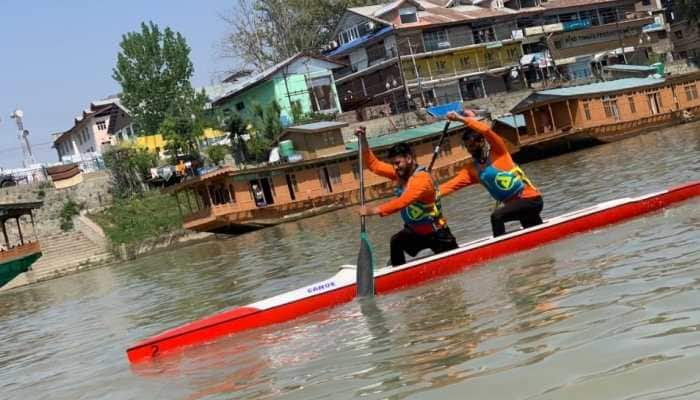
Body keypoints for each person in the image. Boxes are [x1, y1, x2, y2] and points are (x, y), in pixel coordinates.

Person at [355, 127, 458, 267]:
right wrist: (363, 139)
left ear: (409, 158)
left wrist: (373, 211)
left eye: (397, 163)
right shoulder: (399, 174)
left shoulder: (422, 179)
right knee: (396, 241)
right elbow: (373, 165)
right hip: (415, 233)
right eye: (393, 164)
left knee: (451, 270)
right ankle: (397, 272)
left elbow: (403, 201)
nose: (395, 167)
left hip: (438, 234)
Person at [441, 109, 544, 237]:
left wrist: (461, 119)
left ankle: (501, 252)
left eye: (472, 146)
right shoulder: (472, 170)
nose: (470, 150)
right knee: (536, 235)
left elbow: (486, 131)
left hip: (531, 200)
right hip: (516, 206)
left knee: (497, 216)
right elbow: (450, 185)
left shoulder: (499, 152)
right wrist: (430, 195)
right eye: (467, 148)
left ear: (482, 142)